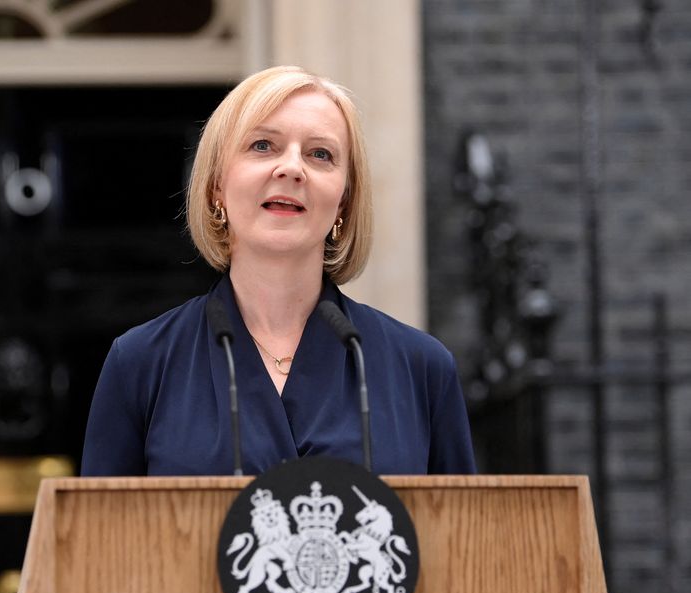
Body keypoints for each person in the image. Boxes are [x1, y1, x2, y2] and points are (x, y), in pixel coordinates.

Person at [81, 65, 475, 476]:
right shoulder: (141, 362)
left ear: (343, 201)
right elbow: (101, 537)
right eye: (263, 146)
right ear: (217, 185)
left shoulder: (421, 367)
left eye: (320, 154)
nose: (291, 168)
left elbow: (461, 535)